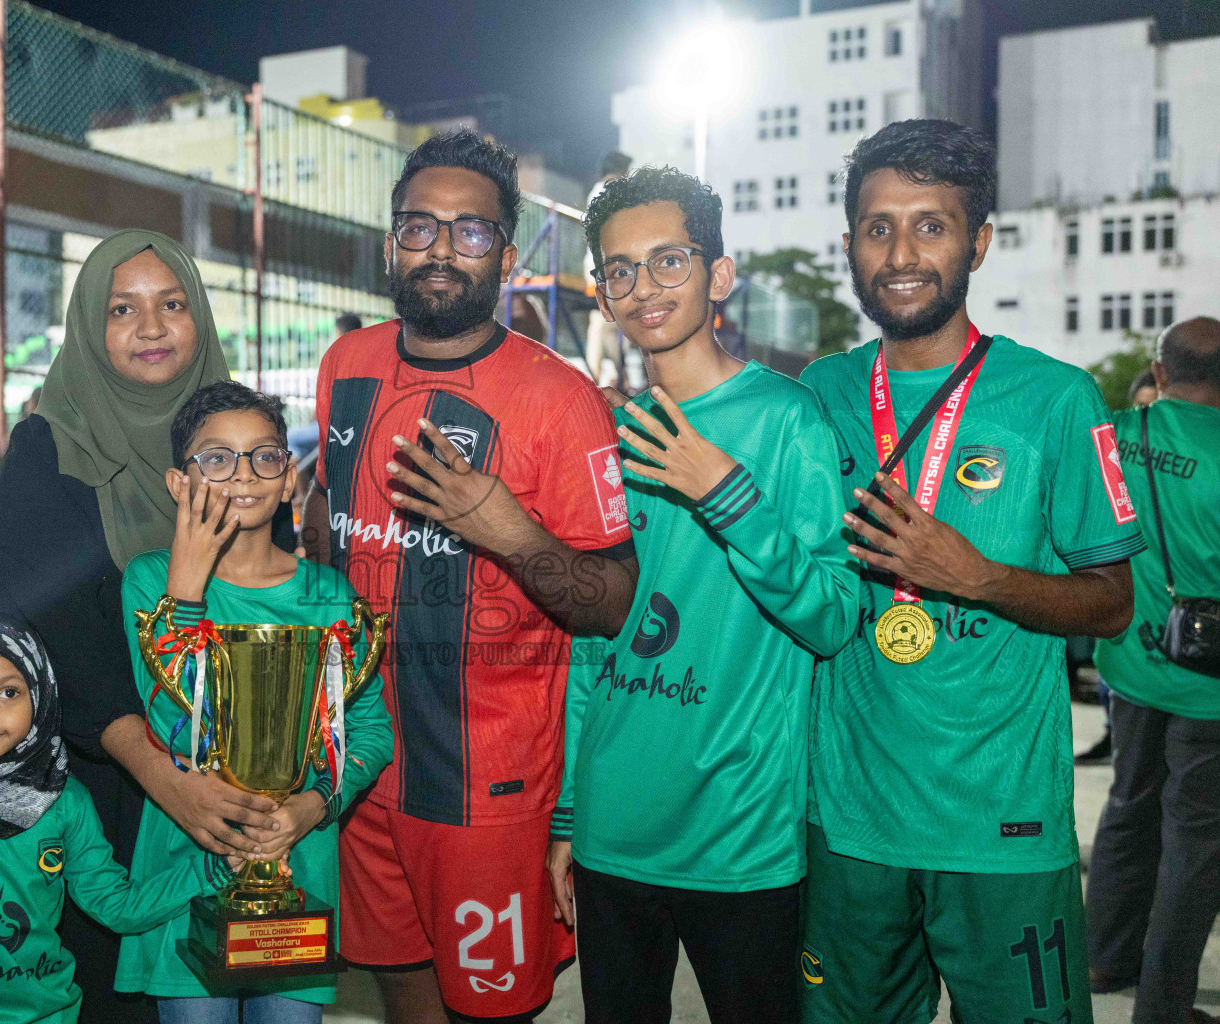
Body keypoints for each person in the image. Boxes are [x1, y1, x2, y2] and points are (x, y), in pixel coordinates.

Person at [798, 119, 1144, 1024]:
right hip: (847, 825)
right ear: (848, 244)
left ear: (978, 242)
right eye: (877, 228)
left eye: (931, 225)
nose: (900, 254)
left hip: (1002, 828)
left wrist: (979, 576)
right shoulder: (819, 394)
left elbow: (1112, 605)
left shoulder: (1055, 399)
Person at [302, 130, 639, 1024]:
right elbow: (327, 516)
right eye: (420, 227)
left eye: (471, 231)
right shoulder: (344, 366)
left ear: (508, 255)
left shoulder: (560, 398)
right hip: (359, 766)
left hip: (485, 789)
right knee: (403, 999)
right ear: (391, 242)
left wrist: (507, 531)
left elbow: (612, 603)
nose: (442, 250)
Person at [550, 167, 858, 1023]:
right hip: (611, 828)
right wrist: (568, 814)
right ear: (602, 294)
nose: (643, 287)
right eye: (619, 270)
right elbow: (591, 635)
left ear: (717, 275)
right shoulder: (608, 433)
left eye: (668, 261)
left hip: (738, 833)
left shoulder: (788, 419)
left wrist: (725, 494)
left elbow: (833, 618)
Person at [0, 229, 260, 1024]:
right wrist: (164, 777)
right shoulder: (45, 458)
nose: (151, 327)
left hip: (231, 784)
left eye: (172, 304)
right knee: (118, 998)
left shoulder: (236, 443)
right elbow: (55, 645)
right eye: (121, 309)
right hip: (102, 794)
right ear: (87, 325)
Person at [115, 380, 393, 1022]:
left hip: (298, 864)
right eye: (216, 458)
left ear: (289, 478)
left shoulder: (330, 594)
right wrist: (187, 588)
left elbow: (371, 730)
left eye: (264, 456)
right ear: (179, 483)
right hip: (187, 865)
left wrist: (313, 806)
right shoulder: (151, 581)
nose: (243, 474)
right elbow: (170, 722)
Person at [0, 612, 237, 1024]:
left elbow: (116, 905)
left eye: (9, 692)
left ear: (40, 693)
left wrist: (212, 869)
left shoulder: (66, 801)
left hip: (47, 1015)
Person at [1084, 316, 1220, 1024]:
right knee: (1194, 844)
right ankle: (1163, 1009)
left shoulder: (1113, 434)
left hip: (1129, 664)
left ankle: (1102, 957)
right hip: (1207, 686)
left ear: (1160, 373)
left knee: (1128, 808)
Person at [1076, 368, 1164, 767]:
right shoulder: (1114, 447)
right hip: (1122, 578)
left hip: (1158, 591)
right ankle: (1113, 735)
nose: (1146, 416)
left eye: (1154, 406)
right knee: (1111, 662)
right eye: (1140, 406)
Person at [584, 150, 634, 384]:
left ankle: (615, 374)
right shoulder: (607, 190)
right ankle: (594, 376)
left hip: (602, 262)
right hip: (603, 264)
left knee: (610, 323)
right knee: (601, 321)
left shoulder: (598, 190)